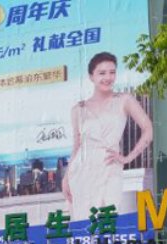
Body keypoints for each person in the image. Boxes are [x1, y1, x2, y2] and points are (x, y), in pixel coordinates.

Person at [62, 52, 153, 220]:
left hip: (110, 166)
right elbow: (77, 146)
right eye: (102, 73)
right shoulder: (78, 109)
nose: (108, 77)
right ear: (91, 76)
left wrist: (127, 158)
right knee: (84, 223)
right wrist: (66, 177)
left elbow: (148, 129)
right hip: (81, 172)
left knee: (108, 218)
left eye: (112, 72)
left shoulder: (124, 100)